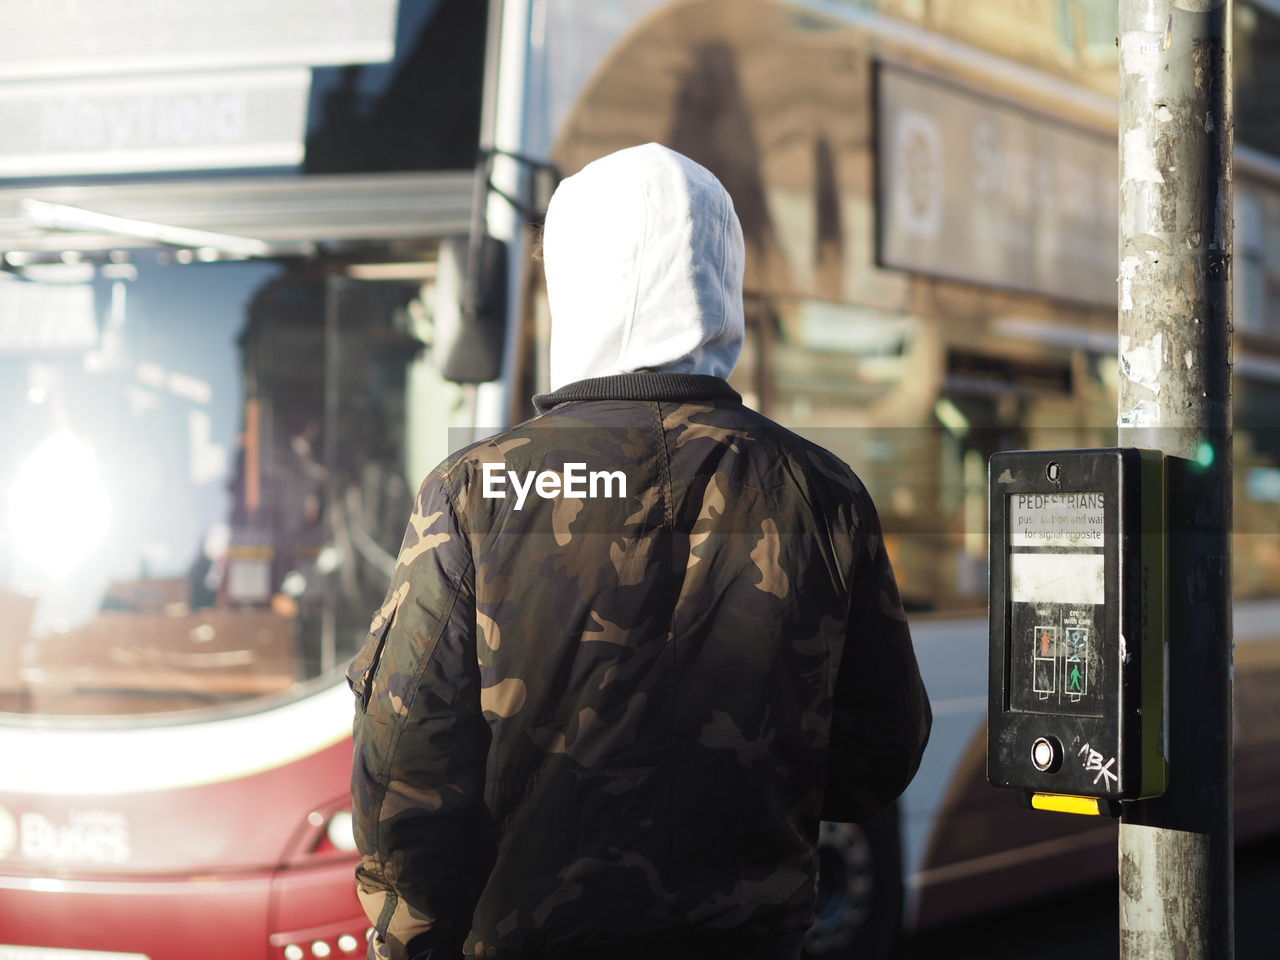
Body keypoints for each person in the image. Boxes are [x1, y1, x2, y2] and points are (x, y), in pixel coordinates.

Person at [348, 143, 931, 960]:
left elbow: (407, 780)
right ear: (720, 278)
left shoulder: (476, 493)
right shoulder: (821, 491)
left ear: (575, 287)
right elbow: (877, 761)